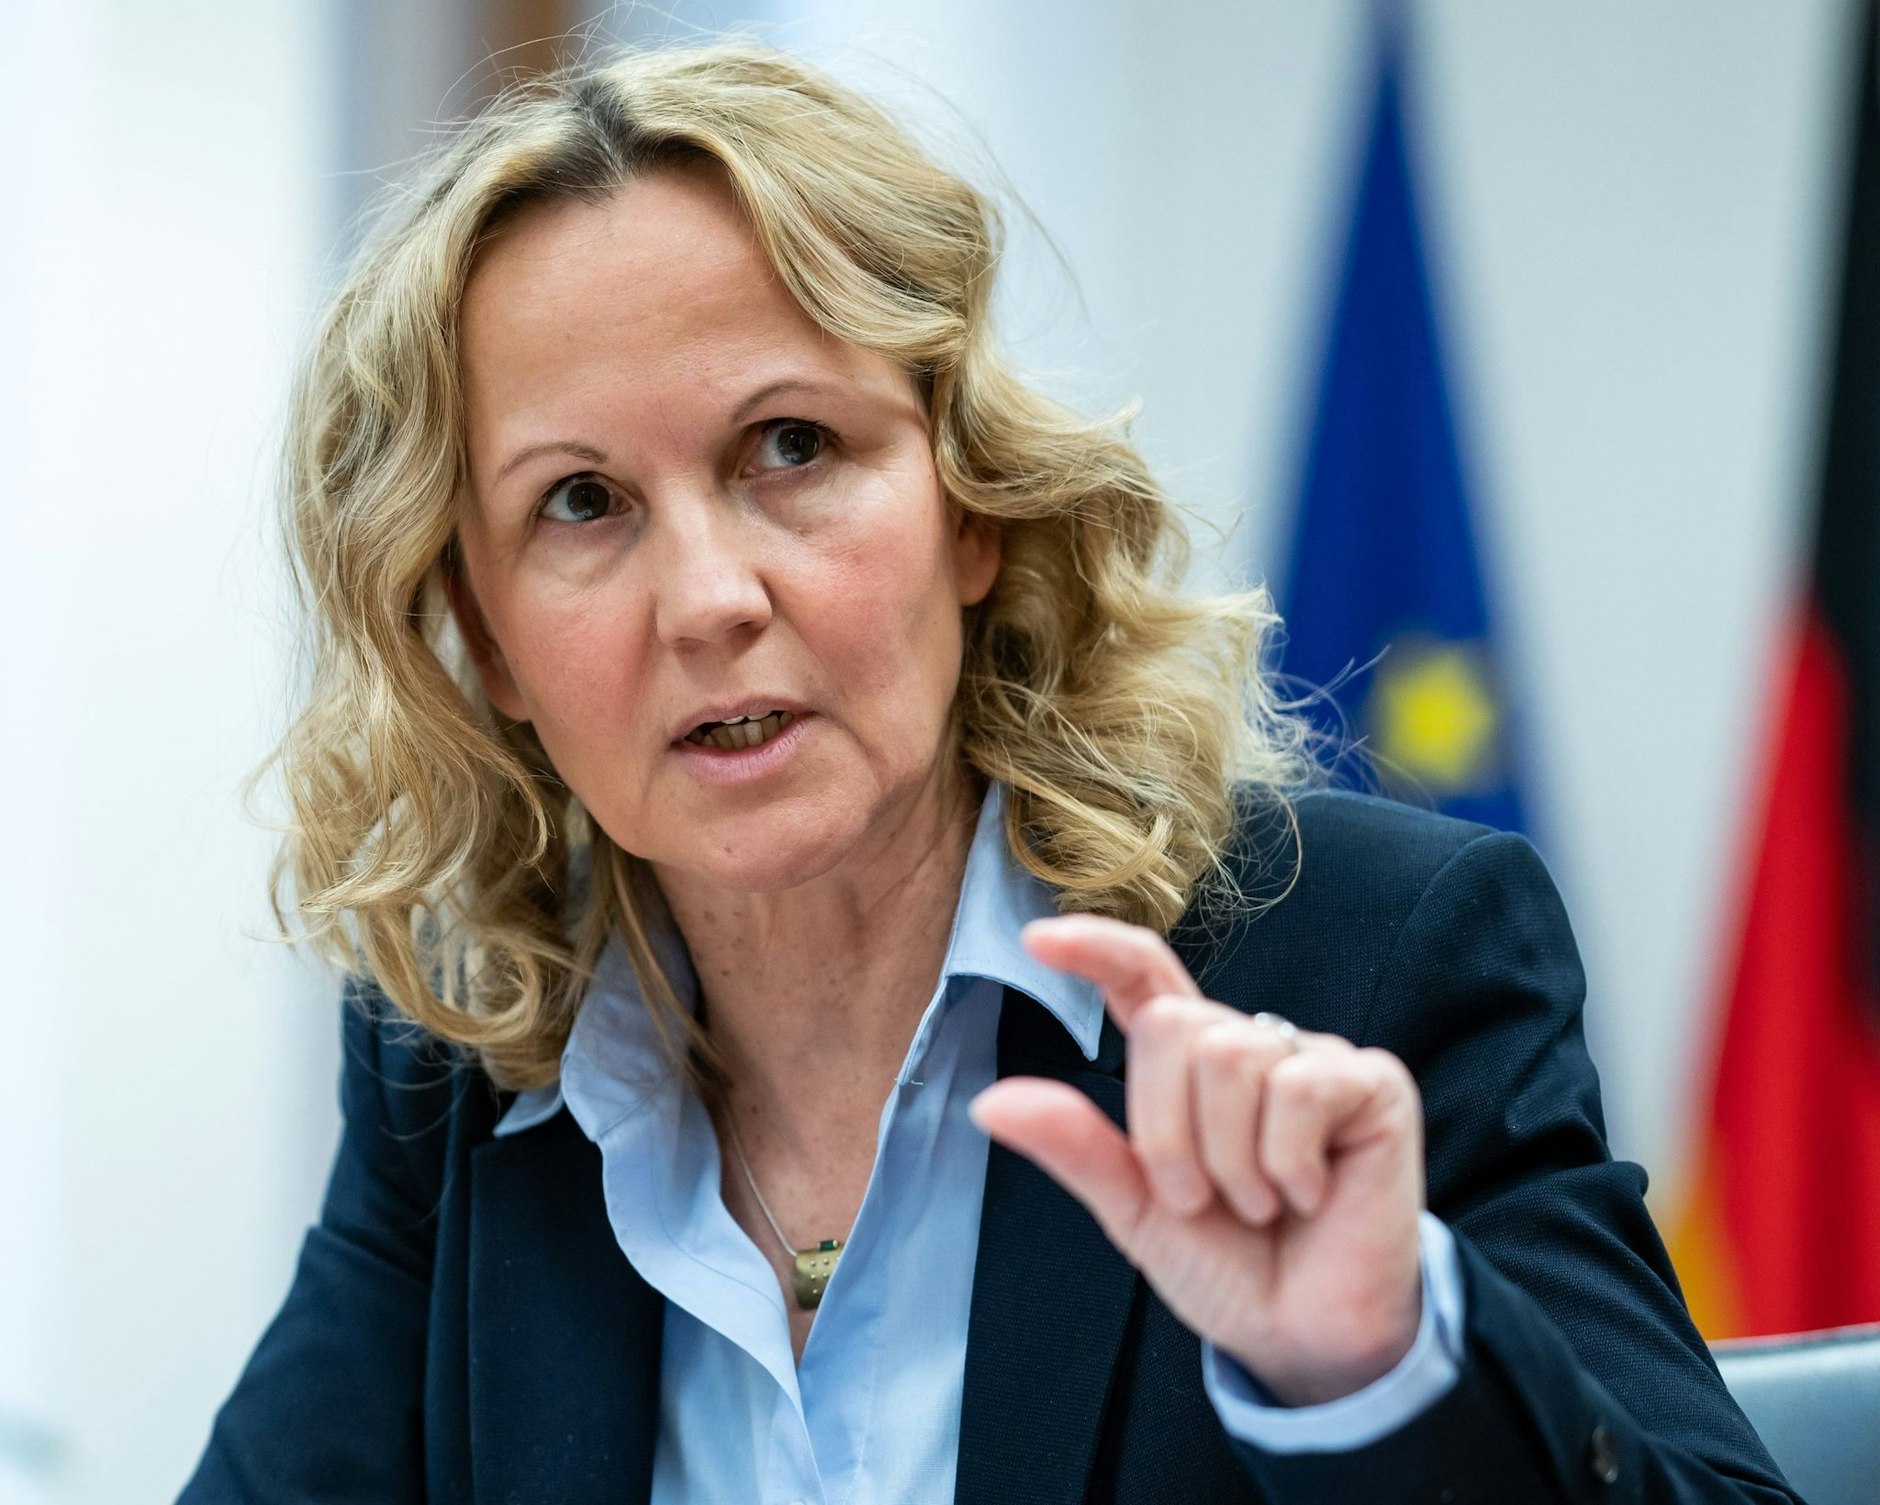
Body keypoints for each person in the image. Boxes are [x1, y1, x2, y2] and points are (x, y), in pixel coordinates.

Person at [178, 41, 1796, 1505]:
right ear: (486, 637)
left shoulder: (1364, 964)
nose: (710, 599)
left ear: (972, 507)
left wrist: (1376, 1369)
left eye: (791, 447)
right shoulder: (461, 1063)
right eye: (581, 503)